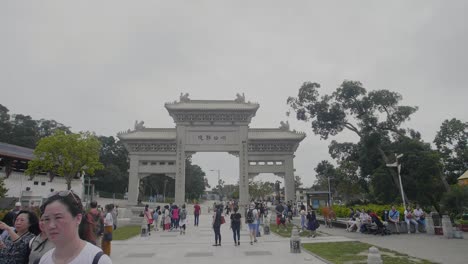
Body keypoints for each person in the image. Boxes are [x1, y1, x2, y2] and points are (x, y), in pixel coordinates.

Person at [38, 190, 112, 263]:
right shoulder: (44, 260)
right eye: (47, 219)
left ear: (78, 218)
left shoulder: (98, 260)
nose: (51, 226)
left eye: (58, 217)